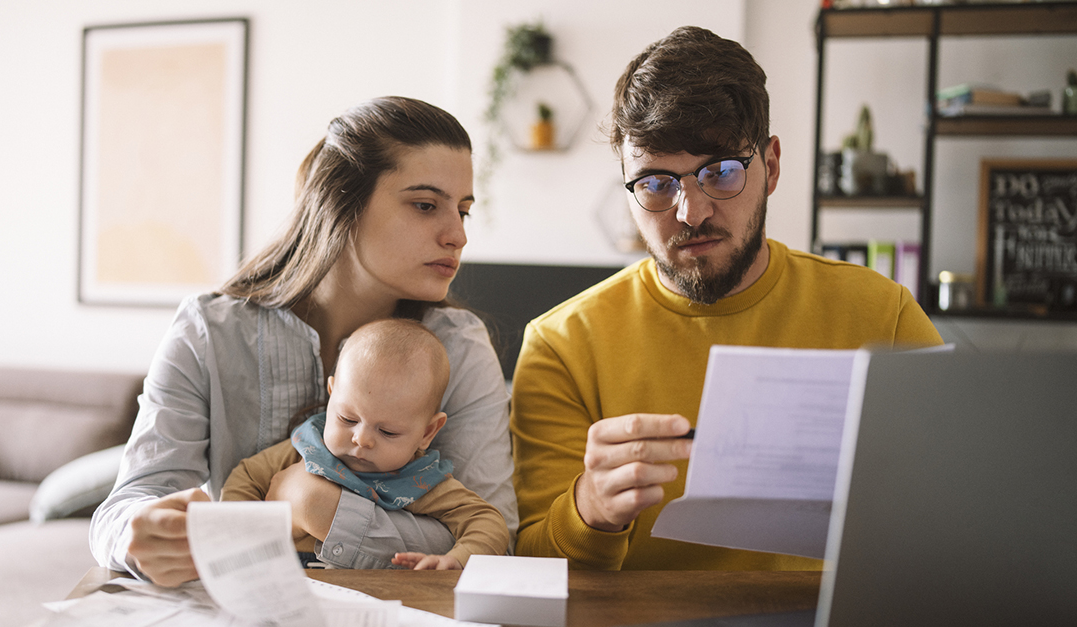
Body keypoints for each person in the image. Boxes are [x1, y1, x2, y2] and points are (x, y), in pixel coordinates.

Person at [510, 26, 942, 571]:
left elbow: (960, 511)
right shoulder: (560, 345)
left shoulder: (885, 315)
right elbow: (529, 571)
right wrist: (590, 510)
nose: (691, 213)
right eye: (656, 183)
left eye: (720, 172)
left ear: (773, 167)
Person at [91, 96, 517, 586]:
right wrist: (136, 536)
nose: (458, 235)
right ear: (341, 205)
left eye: (463, 210)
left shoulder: (459, 347)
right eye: (425, 206)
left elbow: (495, 536)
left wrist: (315, 506)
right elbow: (124, 508)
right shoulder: (208, 332)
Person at [221, 318, 510, 570]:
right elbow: (246, 477)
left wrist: (458, 559)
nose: (361, 439)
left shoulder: (420, 480)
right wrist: (237, 538)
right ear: (332, 394)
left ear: (427, 432)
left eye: (387, 432)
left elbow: (488, 522)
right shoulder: (308, 446)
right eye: (347, 418)